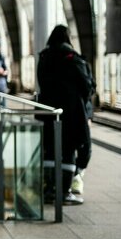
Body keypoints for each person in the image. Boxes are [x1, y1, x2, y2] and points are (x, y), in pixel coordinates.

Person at [37, 25, 94, 205]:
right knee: (68, 149)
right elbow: (87, 86)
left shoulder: (44, 57)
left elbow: (41, 82)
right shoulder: (72, 58)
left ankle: (48, 190)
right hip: (71, 112)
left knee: (50, 149)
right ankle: (64, 192)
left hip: (48, 109)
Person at [71, 60, 96, 195]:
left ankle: (77, 176)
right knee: (83, 147)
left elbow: (88, 97)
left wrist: (89, 117)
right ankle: (76, 177)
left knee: (84, 148)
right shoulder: (81, 65)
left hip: (81, 114)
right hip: (77, 113)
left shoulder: (81, 64)